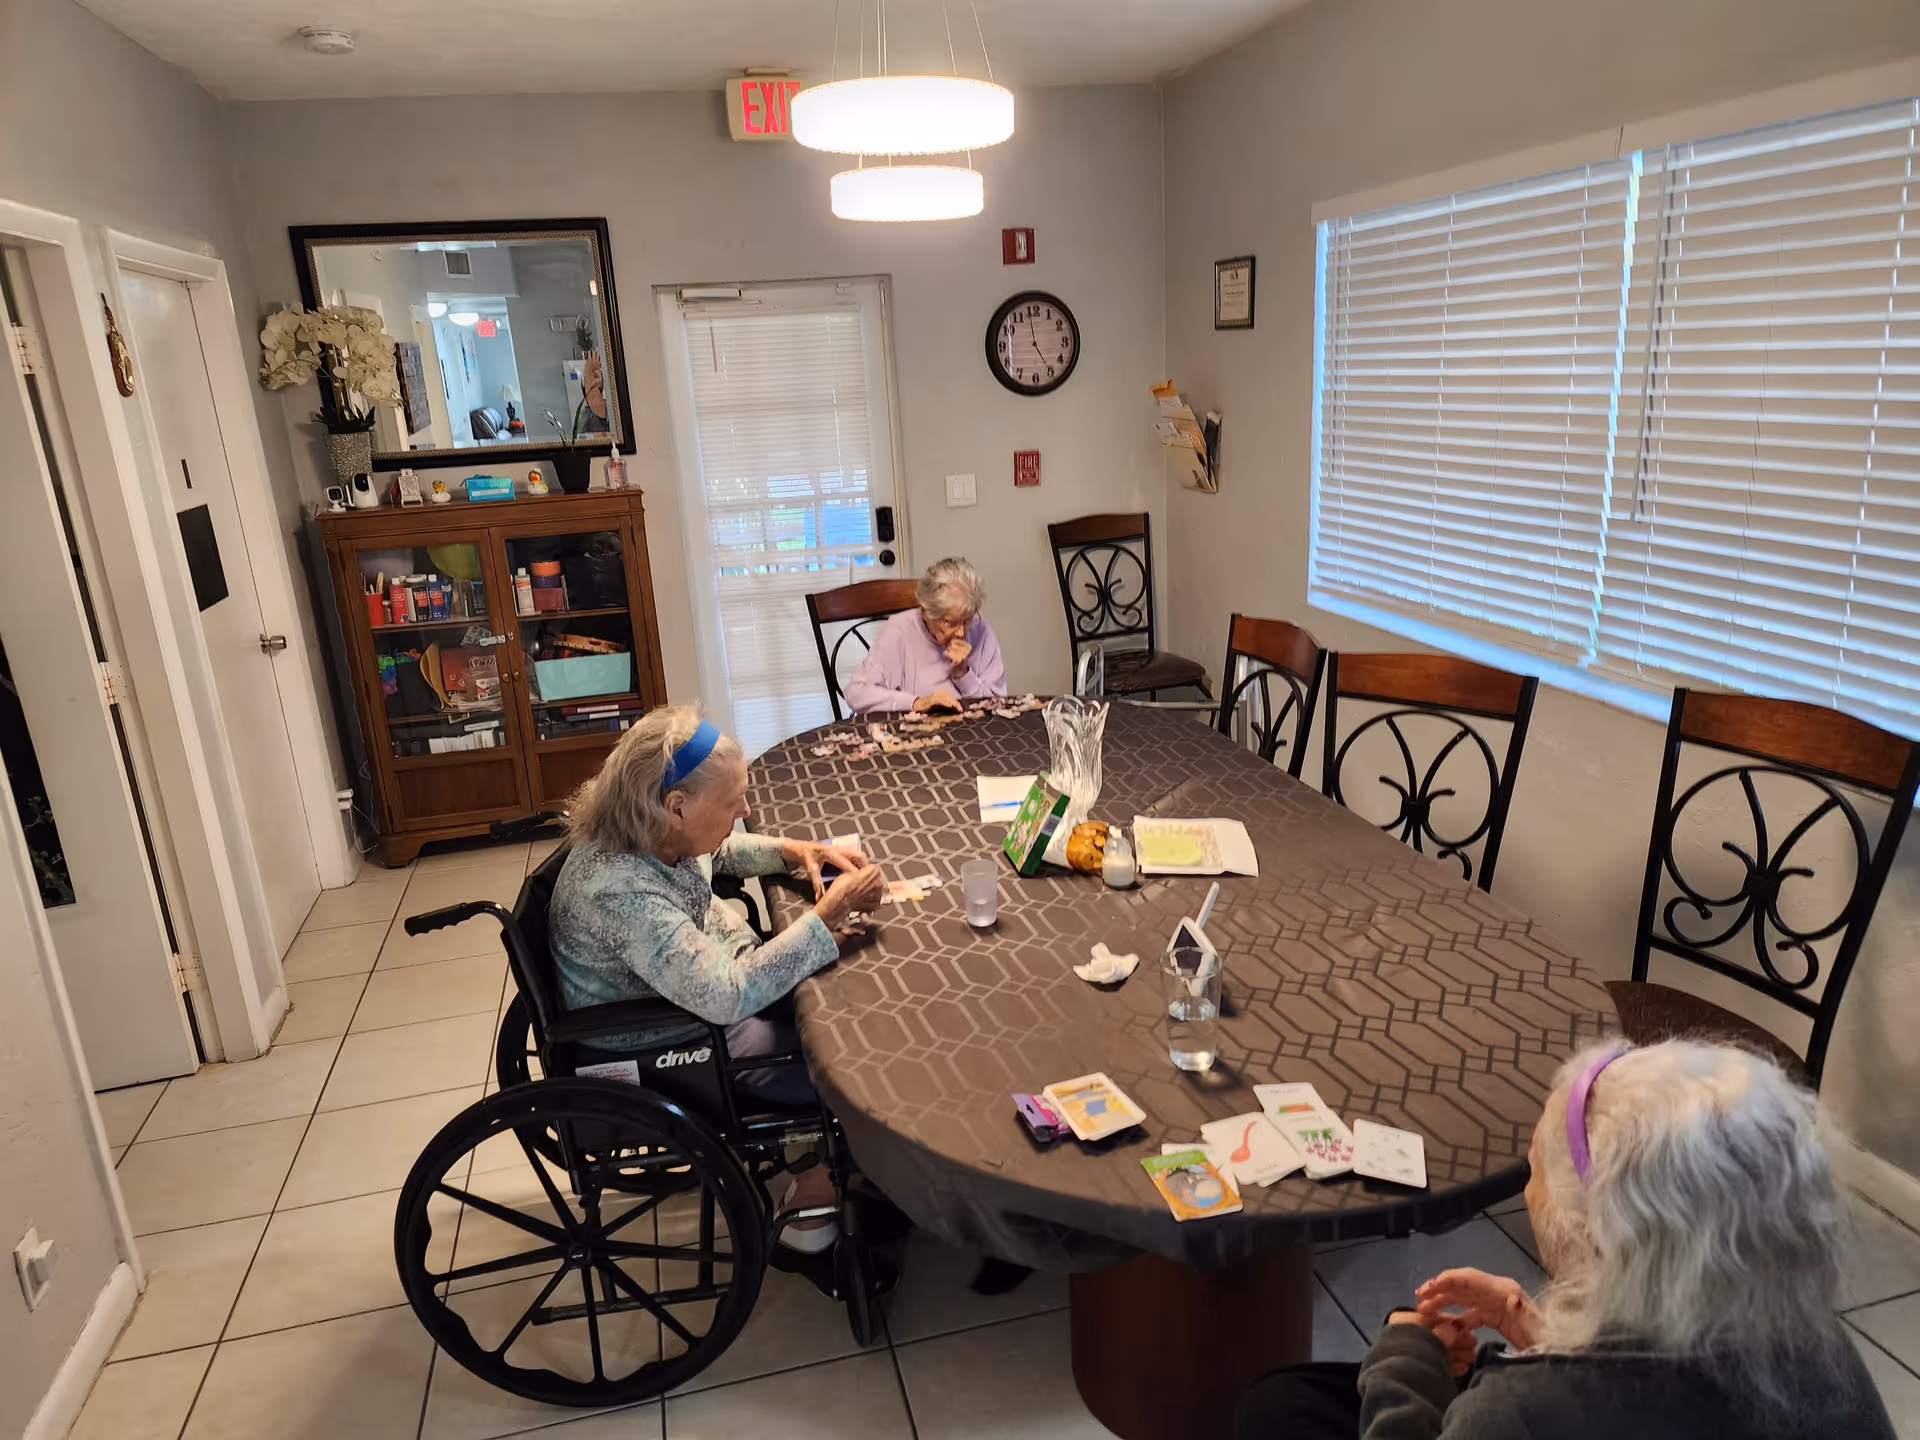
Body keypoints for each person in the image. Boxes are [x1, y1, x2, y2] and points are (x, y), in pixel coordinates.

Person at [1234, 1039, 1896, 1439]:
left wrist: (1406, 1355)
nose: (1530, 1176)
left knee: (1277, 1411)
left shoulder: (1514, 1415)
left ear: (1592, 1233)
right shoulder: (1817, 1345)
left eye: (1539, 1163)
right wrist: (1539, 1327)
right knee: (1285, 1404)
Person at [549, 704, 888, 1276]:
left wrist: (792, 850)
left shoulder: (650, 832)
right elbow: (727, 996)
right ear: (675, 805)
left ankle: (842, 1165)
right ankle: (809, 1216)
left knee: (839, 1003)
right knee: (834, 1059)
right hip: (663, 1042)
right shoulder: (619, 891)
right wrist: (825, 917)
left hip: (691, 996)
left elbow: (720, 852)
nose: (745, 810)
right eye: (733, 803)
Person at [844, 556, 1006, 714]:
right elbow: (856, 694)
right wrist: (917, 702)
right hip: (916, 736)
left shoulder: (983, 634)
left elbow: (998, 707)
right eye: (950, 622)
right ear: (926, 612)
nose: (962, 632)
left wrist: (963, 674)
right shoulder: (899, 630)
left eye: (967, 619)